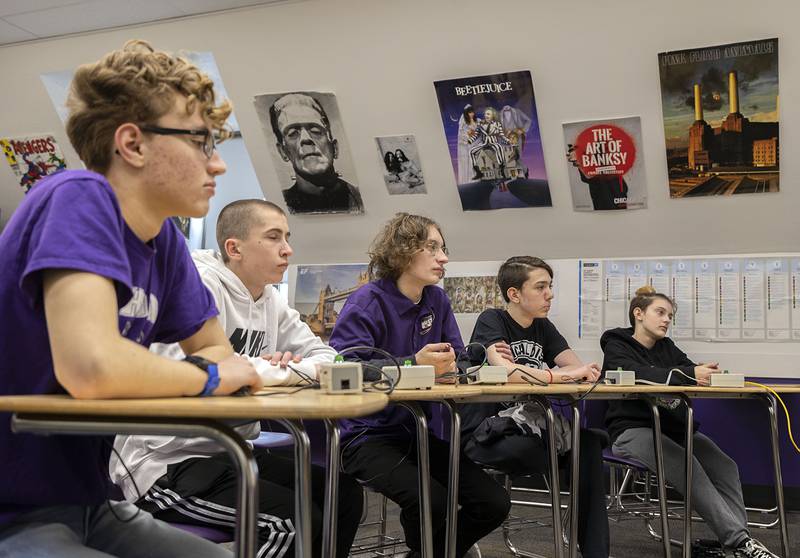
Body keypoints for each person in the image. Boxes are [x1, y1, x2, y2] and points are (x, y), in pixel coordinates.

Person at [0, 40, 262, 557]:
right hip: (11, 508)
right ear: (133, 144)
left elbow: (219, 351)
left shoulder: (164, 238)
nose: (219, 165)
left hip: (89, 500)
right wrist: (206, 378)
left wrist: (199, 369)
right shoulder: (76, 196)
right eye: (200, 142)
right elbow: (93, 368)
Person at [111, 199, 363, 557]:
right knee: (290, 523)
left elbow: (328, 359)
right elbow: (188, 373)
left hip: (232, 451)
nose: (288, 249)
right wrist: (270, 370)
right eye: (274, 237)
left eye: (287, 237)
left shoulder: (271, 300)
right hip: (167, 461)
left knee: (343, 495)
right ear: (235, 248)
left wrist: (272, 371)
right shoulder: (199, 286)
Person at [328, 213, 510, 558]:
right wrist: (414, 363)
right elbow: (342, 367)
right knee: (434, 502)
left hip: (415, 433)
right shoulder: (367, 301)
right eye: (432, 248)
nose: (443, 257)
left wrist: (473, 360)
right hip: (365, 437)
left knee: (494, 502)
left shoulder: (436, 300)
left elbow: (457, 356)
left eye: (443, 248)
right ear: (402, 251)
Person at [601, 286, 779, 558]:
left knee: (724, 465)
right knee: (689, 466)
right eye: (660, 312)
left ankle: (734, 546)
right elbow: (635, 372)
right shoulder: (615, 342)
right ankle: (739, 541)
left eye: (670, 315)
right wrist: (688, 373)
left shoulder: (667, 347)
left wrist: (704, 372)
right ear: (638, 313)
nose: (666, 320)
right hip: (632, 432)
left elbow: (688, 370)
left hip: (673, 429)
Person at [461, 256, 610, 558]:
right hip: (488, 433)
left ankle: (596, 553)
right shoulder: (492, 320)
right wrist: (558, 375)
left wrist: (573, 372)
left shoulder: (543, 327)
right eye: (541, 287)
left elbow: (576, 368)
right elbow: (507, 372)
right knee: (536, 449)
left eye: (550, 287)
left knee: (590, 445)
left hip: (533, 430)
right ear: (514, 294)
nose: (550, 294)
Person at [268, 92, 364, 214]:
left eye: (315, 131)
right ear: (283, 152)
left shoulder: (360, 197)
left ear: (334, 147)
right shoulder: (279, 209)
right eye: (292, 133)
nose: (305, 138)